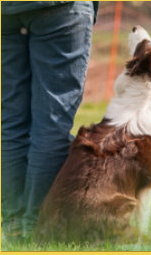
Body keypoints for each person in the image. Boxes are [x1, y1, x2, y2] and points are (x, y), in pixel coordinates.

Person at [2, 1, 97, 241]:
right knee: (52, 123)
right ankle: (36, 226)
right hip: (60, 9)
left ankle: (13, 224)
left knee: (11, 121)